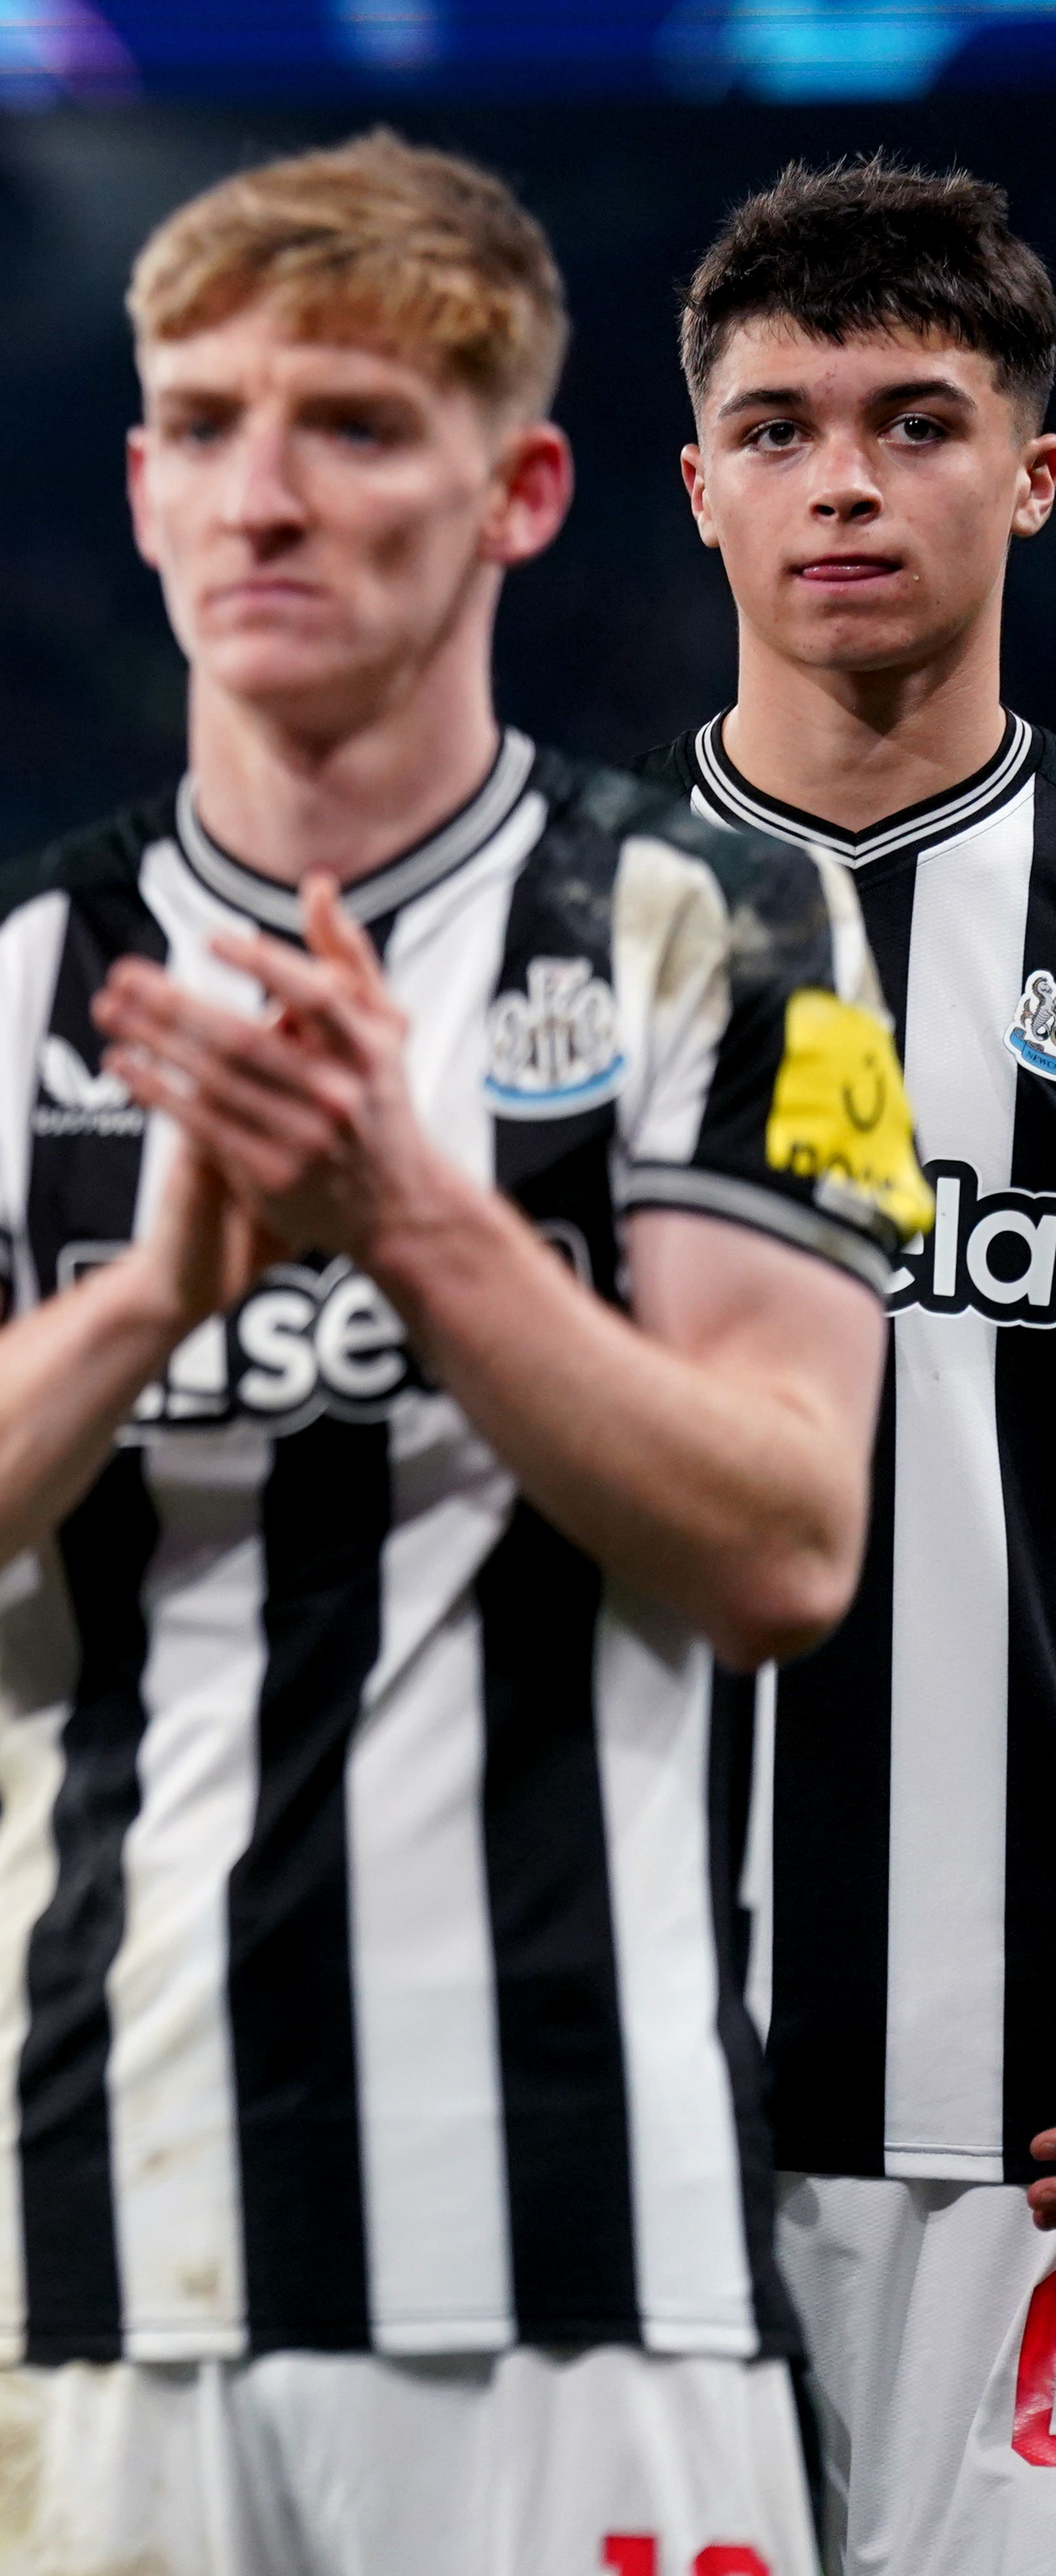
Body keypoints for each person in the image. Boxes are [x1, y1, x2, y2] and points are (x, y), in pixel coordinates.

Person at [0, 134, 924, 2575]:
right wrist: (155, 1294)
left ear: (523, 489)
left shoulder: (725, 927)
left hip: (588, 2265)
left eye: (357, 427)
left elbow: (795, 1538)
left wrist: (412, 1223)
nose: (264, 491)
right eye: (203, 421)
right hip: (77, 2266)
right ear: (142, 483)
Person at [632, 161, 1056, 2576]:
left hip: (1032, 2141)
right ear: (699, 488)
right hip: (626, 2122)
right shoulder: (531, 954)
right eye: (780, 429)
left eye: (918, 421)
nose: (847, 485)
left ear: (1032, 469)